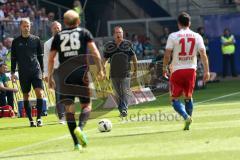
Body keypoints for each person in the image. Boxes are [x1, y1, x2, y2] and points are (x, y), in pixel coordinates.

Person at [48, 10, 104, 151]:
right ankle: (80, 128)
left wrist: (49, 77)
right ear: (78, 21)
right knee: (86, 105)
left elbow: (51, 58)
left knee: (69, 110)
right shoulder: (84, 33)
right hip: (81, 73)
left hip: (64, 75)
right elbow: (95, 52)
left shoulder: (58, 36)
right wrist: (100, 69)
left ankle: (76, 144)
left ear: (65, 22)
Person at [163, 12, 210, 130]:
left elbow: (167, 55)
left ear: (178, 24)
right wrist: (207, 71)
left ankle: (185, 116)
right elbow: (203, 54)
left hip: (177, 70)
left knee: (174, 99)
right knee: (188, 97)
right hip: (191, 70)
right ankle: (189, 117)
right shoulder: (197, 36)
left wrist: (164, 68)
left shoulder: (173, 36)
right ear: (189, 23)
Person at [11, 18, 45, 127]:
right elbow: (13, 58)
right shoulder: (15, 42)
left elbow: (40, 57)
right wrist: (12, 72)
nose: (27, 28)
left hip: (36, 70)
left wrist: (43, 71)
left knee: (39, 92)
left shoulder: (36, 39)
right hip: (23, 72)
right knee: (26, 95)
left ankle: (39, 118)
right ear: (20, 27)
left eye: (28, 26)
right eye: (25, 26)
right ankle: (31, 120)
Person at [103, 26, 138, 117]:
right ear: (114, 34)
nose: (119, 34)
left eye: (120, 32)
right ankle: (121, 108)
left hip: (125, 73)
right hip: (114, 74)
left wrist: (135, 70)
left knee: (125, 92)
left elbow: (134, 58)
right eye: (117, 33)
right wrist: (102, 69)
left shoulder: (128, 44)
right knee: (117, 94)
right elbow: (105, 59)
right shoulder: (109, 45)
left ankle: (124, 109)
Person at [43, 21, 65, 124]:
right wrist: (46, 74)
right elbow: (46, 60)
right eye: (55, 28)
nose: (57, 29)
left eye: (59, 27)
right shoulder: (47, 44)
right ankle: (62, 116)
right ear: (52, 29)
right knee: (59, 94)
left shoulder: (67, 40)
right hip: (56, 71)